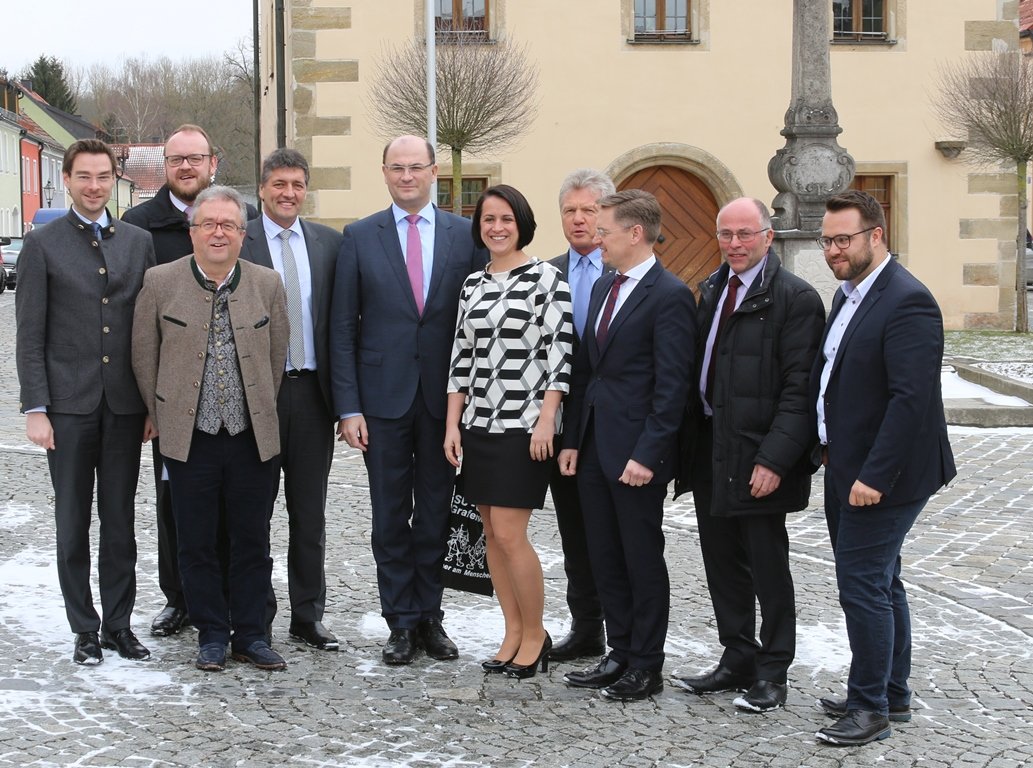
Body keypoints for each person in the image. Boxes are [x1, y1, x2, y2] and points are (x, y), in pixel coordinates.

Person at [330, 135, 486, 665]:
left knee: (438, 513)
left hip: (446, 403)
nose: (406, 176)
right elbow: (341, 330)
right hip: (382, 402)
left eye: (415, 167)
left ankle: (430, 618)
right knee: (390, 516)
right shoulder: (359, 236)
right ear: (384, 172)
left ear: (434, 171)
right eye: (396, 168)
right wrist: (348, 407)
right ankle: (398, 621)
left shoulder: (466, 236)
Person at [811, 190, 956, 746]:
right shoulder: (849, 294)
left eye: (843, 239)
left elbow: (910, 400)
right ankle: (891, 692)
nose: (833, 250)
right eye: (827, 240)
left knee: (863, 584)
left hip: (884, 474)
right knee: (883, 580)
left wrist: (874, 476)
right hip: (845, 462)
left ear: (877, 235)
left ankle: (869, 708)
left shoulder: (906, 300)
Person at [671, 198, 825, 712]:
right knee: (721, 562)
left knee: (767, 568)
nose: (734, 244)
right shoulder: (713, 289)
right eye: (725, 234)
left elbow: (799, 390)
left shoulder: (795, 299)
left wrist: (775, 460)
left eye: (744, 234)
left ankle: (774, 670)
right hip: (714, 449)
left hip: (759, 457)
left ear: (767, 235)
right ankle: (737, 655)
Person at [132, 186, 290, 672]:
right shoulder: (160, 281)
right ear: (192, 232)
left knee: (251, 538)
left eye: (229, 225)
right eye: (209, 224)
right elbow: (144, 354)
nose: (218, 233)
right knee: (195, 539)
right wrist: (160, 410)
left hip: (250, 437)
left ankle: (250, 633)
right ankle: (211, 634)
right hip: (189, 437)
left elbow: (276, 355)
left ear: (243, 234)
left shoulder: (266, 283)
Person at [16, 138, 156, 665]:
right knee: (73, 521)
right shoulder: (43, 244)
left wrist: (150, 405)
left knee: (119, 520)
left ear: (112, 180)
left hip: (124, 407)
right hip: (68, 408)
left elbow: (146, 331)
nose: (94, 186)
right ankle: (84, 628)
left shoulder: (137, 241)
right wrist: (36, 408)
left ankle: (120, 624)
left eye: (102, 177)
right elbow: (30, 334)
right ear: (68, 181)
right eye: (84, 177)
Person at [558, 190, 696, 701]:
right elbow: (589, 373)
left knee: (640, 558)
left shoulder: (670, 294)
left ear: (635, 234)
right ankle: (618, 653)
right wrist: (574, 441)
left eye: (605, 231)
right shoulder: (602, 288)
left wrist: (649, 454)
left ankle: (647, 663)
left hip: (637, 455)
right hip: (595, 449)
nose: (597, 239)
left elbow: (672, 387)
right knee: (603, 556)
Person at [123, 124, 260, 638]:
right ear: (165, 166)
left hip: (235, 403)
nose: (186, 167)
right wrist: (150, 405)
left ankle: (236, 605)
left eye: (195, 159)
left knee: (238, 508)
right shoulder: (139, 227)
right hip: (174, 398)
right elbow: (137, 329)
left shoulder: (240, 219)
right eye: (176, 159)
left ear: (212, 163)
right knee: (175, 507)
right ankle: (179, 597)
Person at [445, 185, 574, 679]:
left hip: (524, 426)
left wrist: (547, 419)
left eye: (505, 219)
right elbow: (461, 358)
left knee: (510, 533)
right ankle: (512, 629)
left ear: (522, 221)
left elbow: (560, 358)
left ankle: (536, 634)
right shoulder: (473, 284)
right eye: (487, 219)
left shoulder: (547, 279)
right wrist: (452, 424)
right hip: (478, 423)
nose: (496, 227)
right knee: (490, 537)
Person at [240, 148, 342, 651]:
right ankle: (255, 615)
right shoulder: (242, 239)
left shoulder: (328, 244)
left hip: (312, 397)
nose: (288, 193)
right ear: (262, 189)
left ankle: (308, 614)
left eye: (298, 184)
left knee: (310, 512)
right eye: (279, 184)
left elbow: (340, 328)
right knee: (253, 510)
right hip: (256, 394)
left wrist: (346, 404)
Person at [545, 169, 615, 663]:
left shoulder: (627, 273)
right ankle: (586, 625)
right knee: (573, 529)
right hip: (560, 422)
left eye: (589, 210)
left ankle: (625, 630)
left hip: (612, 425)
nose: (578, 219)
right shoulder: (546, 274)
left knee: (612, 532)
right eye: (570, 210)